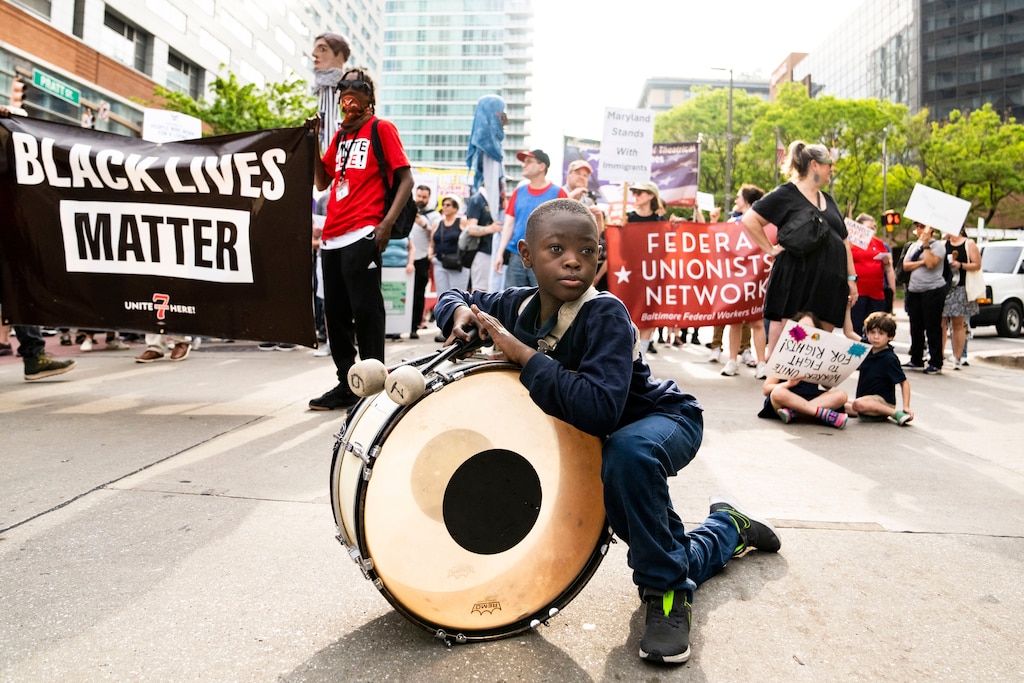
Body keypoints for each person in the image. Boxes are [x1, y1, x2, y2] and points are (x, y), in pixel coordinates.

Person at [436, 199, 780, 664]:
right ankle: (726, 528)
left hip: (661, 420)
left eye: (587, 250)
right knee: (646, 528)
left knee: (627, 454)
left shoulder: (606, 314)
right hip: (612, 436)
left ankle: (666, 593)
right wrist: (458, 317)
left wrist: (524, 355)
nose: (573, 259)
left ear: (601, 257)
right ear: (526, 254)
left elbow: (599, 410)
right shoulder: (515, 304)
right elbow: (455, 297)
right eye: (555, 248)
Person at [307, 68, 413, 410]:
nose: (349, 91)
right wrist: (313, 140)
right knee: (335, 315)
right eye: (344, 86)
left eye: (358, 85)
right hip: (332, 237)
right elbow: (322, 182)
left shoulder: (381, 128)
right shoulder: (339, 137)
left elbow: (406, 179)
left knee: (366, 310)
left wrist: (385, 224)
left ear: (370, 96)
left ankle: (374, 386)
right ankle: (346, 383)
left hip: (364, 230)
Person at [741, 142, 858, 358]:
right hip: (798, 279)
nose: (832, 169)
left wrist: (851, 279)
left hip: (830, 283)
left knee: (819, 344)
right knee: (794, 342)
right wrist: (770, 249)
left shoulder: (829, 200)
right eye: (828, 164)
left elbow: (845, 242)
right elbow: (750, 219)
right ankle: (783, 385)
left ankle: (809, 387)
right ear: (814, 165)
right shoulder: (786, 193)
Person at [710, 185, 768, 378]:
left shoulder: (764, 223)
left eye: (738, 197)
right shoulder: (732, 222)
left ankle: (761, 364)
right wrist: (713, 223)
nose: (735, 200)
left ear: (748, 200)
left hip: (756, 277)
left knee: (757, 321)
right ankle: (732, 360)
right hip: (736, 278)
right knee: (735, 320)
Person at [757, 312, 849, 429]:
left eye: (810, 329)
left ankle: (795, 412)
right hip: (787, 398)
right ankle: (820, 413)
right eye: (802, 328)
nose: (806, 332)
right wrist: (788, 384)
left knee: (841, 395)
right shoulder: (783, 354)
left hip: (810, 397)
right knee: (777, 392)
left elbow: (826, 386)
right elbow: (766, 389)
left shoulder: (820, 355)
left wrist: (830, 372)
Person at [495, 149, 567, 287]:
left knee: (543, 301)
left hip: (545, 257)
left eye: (528, 161)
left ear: (542, 166)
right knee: (512, 301)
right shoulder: (518, 192)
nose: (523, 165)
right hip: (517, 255)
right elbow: (509, 224)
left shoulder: (558, 193)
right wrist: (500, 252)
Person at [844, 312, 913, 425]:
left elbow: (904, 382)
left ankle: (894, 413)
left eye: (881, 333)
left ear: (890, 337)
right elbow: (848, 332)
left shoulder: (889, 358)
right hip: (865, 399)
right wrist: (848, 308)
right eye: (872, 332)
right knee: (840, 401)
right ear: (867, 333)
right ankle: (867, 414)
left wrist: (906, 407)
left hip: (883, 402)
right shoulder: (866, 347)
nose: (876, 337)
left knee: (858, 404)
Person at [621, 181, 664, 355]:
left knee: (648, 314)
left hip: (652, 275)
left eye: (640, 193)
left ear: (651, 196)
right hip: (631, 274)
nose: (635, 196)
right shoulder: (628, 218)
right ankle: (628, 351)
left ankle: (641, 355)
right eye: (634, 193)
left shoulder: (661, 221)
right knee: (629, 313)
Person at [902, 222, 947, 375]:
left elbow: (930, 264)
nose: (919, 229)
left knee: (932, 326)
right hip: (915, 290)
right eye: (918, 226)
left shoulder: (938, 246)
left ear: (931, 230)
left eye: (923, 226)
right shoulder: (913, 246)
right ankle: (916, 358)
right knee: (916, 326)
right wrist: (920, 262)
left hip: (932, 290)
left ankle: (935, 361)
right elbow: (906, 265)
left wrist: (926, 245)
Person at [940, 226, 981, 370]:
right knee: (941, 323)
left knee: (958, 323)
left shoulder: (968, 244)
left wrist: (961, 265)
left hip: (961, 286)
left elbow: (977, 264)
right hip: (944, 287)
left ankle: (958, 357)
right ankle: (939, 355)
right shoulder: (943, 244)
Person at [849, 213, 896, 337]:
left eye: (873, 228)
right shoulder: (851, 244)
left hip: (876, 293)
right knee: (857, 326)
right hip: (858, 293)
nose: (871, 231)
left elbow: (889, 269)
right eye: (868, 228)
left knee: (876, 327)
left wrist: (892, 290)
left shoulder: (880, 244)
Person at [311, 33, 352, 156]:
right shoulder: (320, 92)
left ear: (339, 54)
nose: (314, 54)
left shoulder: (344, 93)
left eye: (323, 49)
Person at [429, 195, 470, 314]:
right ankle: (444, 328)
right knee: (442, 296)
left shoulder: (462, 221)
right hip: (440, 262)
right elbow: (431, 243)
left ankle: (459, 325)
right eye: (443, 205)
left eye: (448, 205)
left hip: (457, 263)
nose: (444, 207)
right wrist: (430, 254)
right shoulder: (438, 223)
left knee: (458, 296)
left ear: (455, 208)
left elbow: (470, 239)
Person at [409, 185, 440, 338]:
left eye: (424, 197)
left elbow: (438, 233)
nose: (420, 199)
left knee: (418, 293)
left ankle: (414, 325)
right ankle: (398, 326)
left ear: (429, 198)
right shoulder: (407, 209)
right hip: (405, 258)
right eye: (419, 196)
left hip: (422, 258)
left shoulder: (433, 215)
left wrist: (424, 225)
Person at [463, 184, 500, 292]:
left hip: (495, 252)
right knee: (481, 291)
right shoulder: (477, 200)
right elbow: (471, 228)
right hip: (482, 252)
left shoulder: (495, 201)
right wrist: (491, 228)